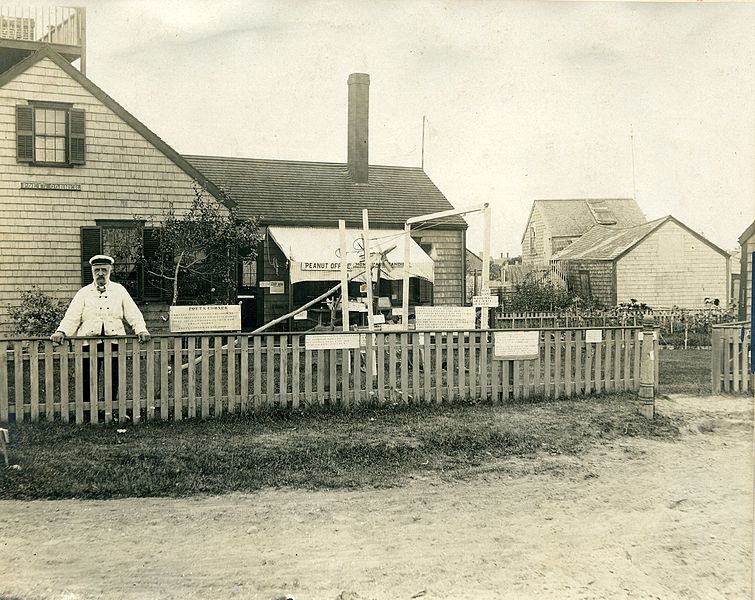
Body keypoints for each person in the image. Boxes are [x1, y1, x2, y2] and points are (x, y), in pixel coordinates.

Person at [51, 255, 151, 411]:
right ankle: (87, 409)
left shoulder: (119, 290)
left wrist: (141, 329)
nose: (100, 274)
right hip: (88, 342)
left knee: (113, 377)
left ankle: (110, 407)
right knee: (87, 377)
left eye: (103, 270)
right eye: (97, 270)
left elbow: (133, 313)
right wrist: (61, 331)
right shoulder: (84, 293)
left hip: (114, 341)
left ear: (109, 271)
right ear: (92, 272)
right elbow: (72, 316)